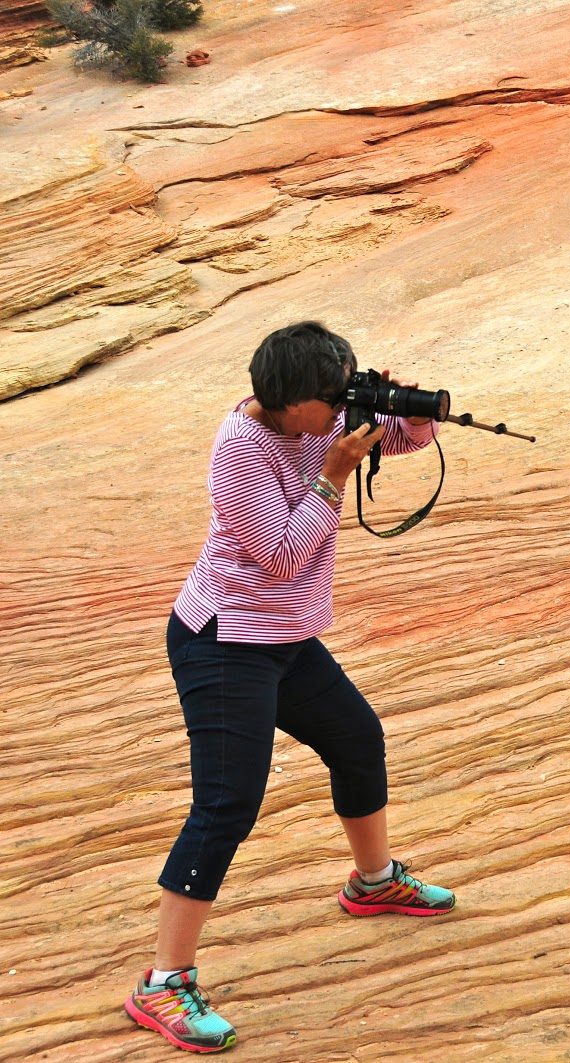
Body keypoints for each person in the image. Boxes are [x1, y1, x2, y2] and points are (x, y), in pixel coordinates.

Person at [125, 322, 455, 1053]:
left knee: (356, 738)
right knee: (227, 801)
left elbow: (400, 439)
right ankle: (162, 982)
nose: (342, 409)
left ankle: (372, 882)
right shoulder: (239, 450)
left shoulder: (324, 418)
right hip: (224, 641)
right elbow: (278, 554)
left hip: (285, 639)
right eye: (331, 398)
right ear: (288, 401)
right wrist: (333, 474)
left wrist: (411, 410)